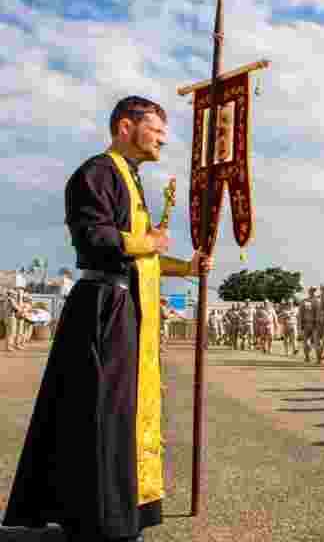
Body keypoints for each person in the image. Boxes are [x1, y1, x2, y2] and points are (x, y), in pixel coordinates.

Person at [3, 97, 214, 542]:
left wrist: (185, 266)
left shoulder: (130, 179)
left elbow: (142, 252)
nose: (162, 139)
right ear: (125, 127)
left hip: (123, 303)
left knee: (119, 411)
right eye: (155, 130)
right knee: (103, 411)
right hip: (103, 304)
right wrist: (150, 243)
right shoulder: (97, 172)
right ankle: (98, 518)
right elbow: (92, 236)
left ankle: (117, 513)